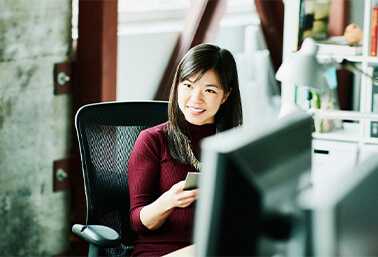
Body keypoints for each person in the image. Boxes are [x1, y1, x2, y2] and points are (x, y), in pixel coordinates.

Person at [128, 43, 243, 256]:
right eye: (188, 86)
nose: (195, 99)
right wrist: (169, 201)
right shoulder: (153, 141)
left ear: (225, 95)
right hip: (161, 251)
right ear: (177, 86)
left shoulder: (235, 142)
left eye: (209, 90)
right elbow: (138, 222)